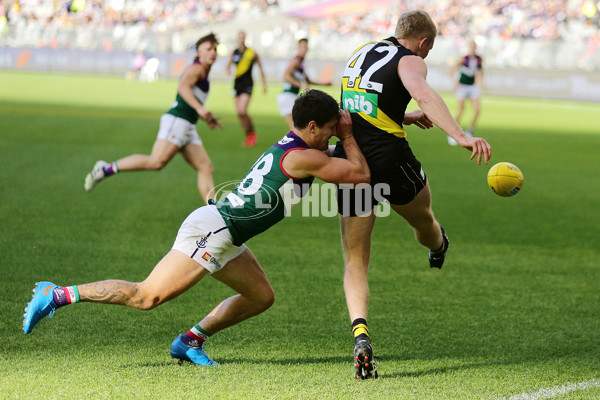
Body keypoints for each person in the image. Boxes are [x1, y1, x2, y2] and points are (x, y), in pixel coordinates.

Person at [23, 90, 370, 367]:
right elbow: (359, 173)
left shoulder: (298, 145)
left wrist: (401, 118)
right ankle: (55, 294)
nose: (331, 136)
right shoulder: (305, 157)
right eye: (328, 130)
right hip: (215, 230)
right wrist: (351, 134)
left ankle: (190, 341)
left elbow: (339, 155)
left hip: (227, 232)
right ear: (312, 127)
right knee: (146, 297)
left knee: (261, 296)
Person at [333, 10, 492, 379]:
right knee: (425, 223)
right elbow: (422, 91)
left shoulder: (361, 52)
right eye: (429, 49)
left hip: (352, 164)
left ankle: (360, 334)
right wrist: (461, 135)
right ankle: (439, 246)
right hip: (391, 162)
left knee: (355, 259)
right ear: (423, 42)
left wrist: (402, 116)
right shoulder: (410, 59)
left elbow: (355, 107)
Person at [84, 33, 223, 204]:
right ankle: (105, 169)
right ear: (199, 53)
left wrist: (204, 116)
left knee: (206, 167)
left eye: (215, 49)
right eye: (208, 49)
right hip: (177, 121)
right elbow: (182, 88)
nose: (213, 53)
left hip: (187, 125)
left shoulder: (203, 71)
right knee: (156, 162)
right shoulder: (197, 69)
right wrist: (201, 109)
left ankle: (215, 211)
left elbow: (191, 99)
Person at [277, 38, 332, 131]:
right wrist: (300, 84)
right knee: (296, 128)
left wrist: (324, 84)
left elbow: (308, 81)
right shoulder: (295, 61)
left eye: (306, 47)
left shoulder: (301, 63)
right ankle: (293, 145)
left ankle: (295, 145)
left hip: (292, 96)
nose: (304, 49)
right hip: (287, 96)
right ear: (298, 47)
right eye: (302, 46)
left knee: (298, 128)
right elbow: (286, 76)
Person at [226, 31, 267, 148]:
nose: (241, 39)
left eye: (243, 37)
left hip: (248, 84)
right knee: (239, 114)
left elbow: (260, 68)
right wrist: (228, 70)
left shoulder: (252, 53)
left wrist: (264, 84)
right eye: (239, 36)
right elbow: (228, 65)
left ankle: (253, 133)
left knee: (242, 111)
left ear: (245, 38)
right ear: (237, 38)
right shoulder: (234, 52)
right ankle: (249, 136)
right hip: (237, 84)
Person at [448, 40, 483, 145]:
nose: (473, 48)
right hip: (462, 86)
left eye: (474, 47)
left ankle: (469, 131)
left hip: (472, 86)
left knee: (477, 110)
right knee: (461, 110)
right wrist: (455, 82)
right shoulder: (464, 59)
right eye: (471, 47)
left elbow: (479, 72)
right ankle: (452, 133)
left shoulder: (478, 59)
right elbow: (452, 70)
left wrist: (481, 83)